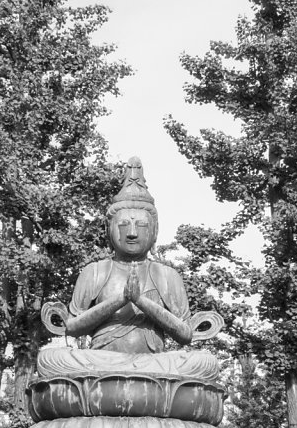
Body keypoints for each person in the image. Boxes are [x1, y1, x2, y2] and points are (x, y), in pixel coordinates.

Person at [37, 157, 219, 381]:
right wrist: (121, 299)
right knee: (51, 359)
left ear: (154, 231)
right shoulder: (95, 271)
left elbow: (185, 334)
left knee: (203, 363)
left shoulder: (167, 275)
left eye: (141, 225)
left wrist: (140, 301)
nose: (132, 232)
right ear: (109, 229)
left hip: (154, 362)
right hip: (102, 360)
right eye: (123, 225)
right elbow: (72, 327)